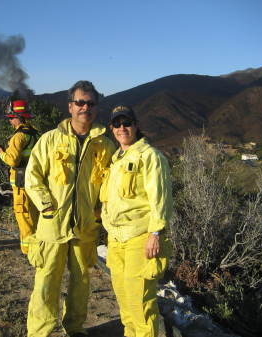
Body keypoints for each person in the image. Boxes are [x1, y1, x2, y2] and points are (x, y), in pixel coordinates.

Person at [24, 81, 115, 337]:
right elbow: (33, 177)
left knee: (81, 283)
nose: (85, 107)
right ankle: (39, 333)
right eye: (80, 102)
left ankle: (74, 328)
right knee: (46, 283)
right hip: (52, 225)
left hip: (85, 227)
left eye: (90, 103)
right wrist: (46, 206)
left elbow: (110, 186)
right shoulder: (50, 140)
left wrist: (100, 213)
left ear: (96, 108)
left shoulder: (104, 146)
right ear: (70, 106)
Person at [100, 105, 173, 337]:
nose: (122, 128)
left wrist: (155, 234)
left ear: (136, 125)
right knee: (124, 303)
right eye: (117, 124)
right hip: (116, 239)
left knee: (140, 304)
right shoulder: (116, 158)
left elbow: (160, 198)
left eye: (127, 123)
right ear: (112, 128)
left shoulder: (150, 156)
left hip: (140, 238)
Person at [0, 99, 39, 255]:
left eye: (11, 117)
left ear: (18, 117)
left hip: (21, 185)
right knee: (34, 217)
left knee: (24, 218)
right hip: (34, 182)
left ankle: (28, 252)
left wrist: (1, 154)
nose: (10, 120)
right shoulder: (34, 133)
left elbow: (12, 160)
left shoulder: (18, 136)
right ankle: (38, 249)